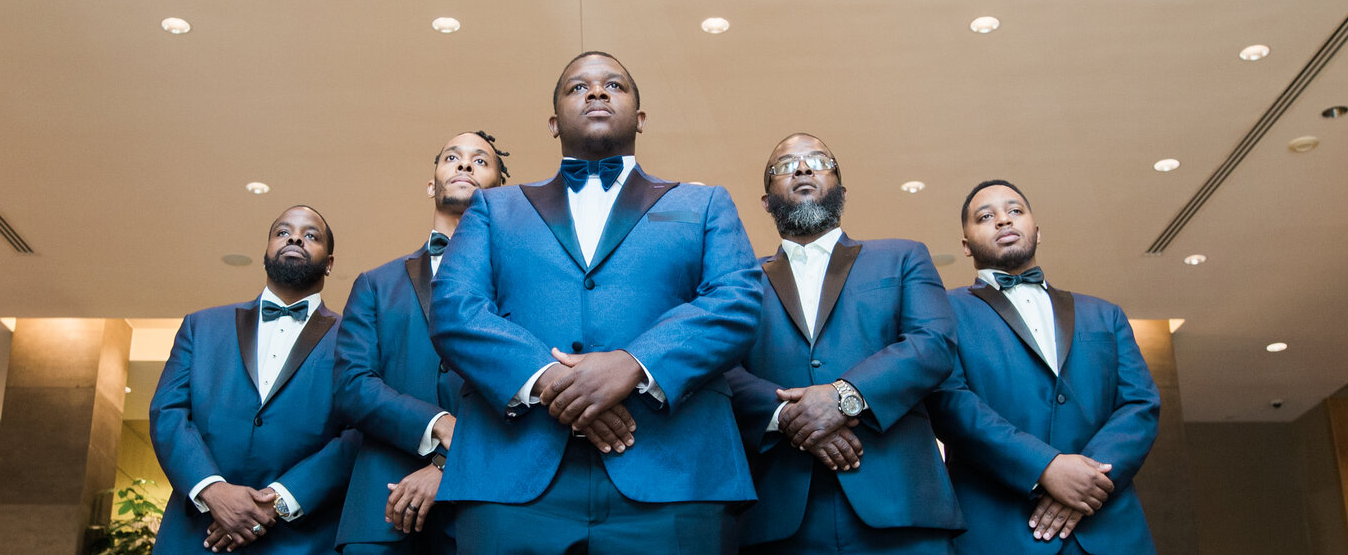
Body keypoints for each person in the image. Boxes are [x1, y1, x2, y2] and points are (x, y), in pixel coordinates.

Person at [429, 51, 765, 554]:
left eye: (614, 85)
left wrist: (634, 363)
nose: (597, 92)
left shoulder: (702, 203)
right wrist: (552, 381)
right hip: (510, 479)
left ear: (641, 118)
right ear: (553, 121)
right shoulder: (494, 207)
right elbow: (455, 310)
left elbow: (735, 302)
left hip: (676, 475)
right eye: (577, 87)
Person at [724, 134, 960, 555]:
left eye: (818, 160)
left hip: (901, 507)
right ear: (765, 201)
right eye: (785, 165)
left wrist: (842, 397)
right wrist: (789, 415)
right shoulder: (738, 280)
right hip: (779, 517)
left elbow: (933, 343)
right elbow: (721, 367)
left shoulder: (903, 257)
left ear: (841, 190)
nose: (801, 168)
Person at [926, 180, 1159, 554]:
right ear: (966, 244)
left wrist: (1087, 479)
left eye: (1015, 211)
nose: (1003, 220)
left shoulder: (1105, 314)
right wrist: (1046, 468)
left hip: (1110, 529)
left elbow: (1140, 406)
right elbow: (949, 403)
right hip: (1001, 532)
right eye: (986, 216)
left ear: (1037, 229)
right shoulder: (941, 312)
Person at [333, 131, 512, 554]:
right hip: (380, 511)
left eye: (480, 161)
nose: (465, 165)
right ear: (432, 183)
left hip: (486, 508)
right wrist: (438, 426)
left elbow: (527, 386)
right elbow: (351, 385)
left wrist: (447, 464)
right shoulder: (375, 284)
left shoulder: (523, 281)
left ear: (501, 193)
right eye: (453, 157)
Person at [149, 205, 360, 554]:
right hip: (195, 537)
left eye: (311, 235)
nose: (295, 237)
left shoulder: (355, 338)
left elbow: (358, 433)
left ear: (330, 262)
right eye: (282, 232)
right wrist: (213, 491)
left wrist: (275, 502)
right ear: (266, 251)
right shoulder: (200, 327)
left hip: (300, 539)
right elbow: (167, 413)